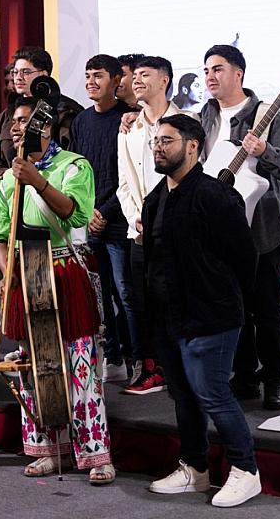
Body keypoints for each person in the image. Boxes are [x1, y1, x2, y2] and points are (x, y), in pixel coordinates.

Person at [0, 96, 116, 484]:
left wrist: (38, 181)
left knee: (79, 365)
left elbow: (74, 212)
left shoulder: (74, 165)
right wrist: (8, 272)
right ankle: (46, 447)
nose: (16, 128)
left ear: (45, 127)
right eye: (12, 122)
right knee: (34, 367)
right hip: (26, 272)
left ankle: (96, 453)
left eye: (24, 121)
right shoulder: (7, 177)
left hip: (61, 265)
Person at [144, 114, 260, 508]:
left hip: (211, 315)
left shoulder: (216, 195)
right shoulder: (155, 198)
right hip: (169, 317)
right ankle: (195, 468)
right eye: (156, 141)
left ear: (192, 146)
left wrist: (226, 303)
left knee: (213, 394)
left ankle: (246, 470)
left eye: (168, 141)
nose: (158, 147)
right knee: (184, 397)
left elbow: (245, 259)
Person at [199, 44, 280, 410]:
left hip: (262, 230)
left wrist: (264, 152)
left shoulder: (269, 117)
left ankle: (274, 379)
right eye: (206, 69)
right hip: (220, 230)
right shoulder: (202, 117)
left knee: (266, 307)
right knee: (230, 306)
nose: (209, 76)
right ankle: (243, 376)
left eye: (218, 69)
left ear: (238, 73)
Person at [117, 56, 197, 395]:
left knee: (181, 300)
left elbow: (194, 176)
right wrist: (136, 216)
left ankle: (186, 371)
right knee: (143, 302)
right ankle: (151, 368)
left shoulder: (188, 121)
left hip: (178, 231)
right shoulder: (128, 129)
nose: (135, 80)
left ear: (164, 80)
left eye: (144, 75)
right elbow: (124, 182)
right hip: (140, 232)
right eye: (134, 75)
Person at [69, 54, 136, 383]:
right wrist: (87, 210)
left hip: (119, 221)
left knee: (126, 293)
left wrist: (104, 212)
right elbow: (77, 171)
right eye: (87, 75)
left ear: (115, 81)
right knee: (99, 295)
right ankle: (112, 356)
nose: (91, 81)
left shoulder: (129, 119)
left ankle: (137, 359)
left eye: (98, 75)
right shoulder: (81, 121)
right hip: (88, 221)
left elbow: (129, 176)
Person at [0, 46, 83, 185]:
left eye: (26, 72)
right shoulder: (5, 116)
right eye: (15, 72)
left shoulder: (65, 112)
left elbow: (73, 157)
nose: (18, 77)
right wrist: (12, 175)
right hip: (11, 192)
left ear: (44, 75)